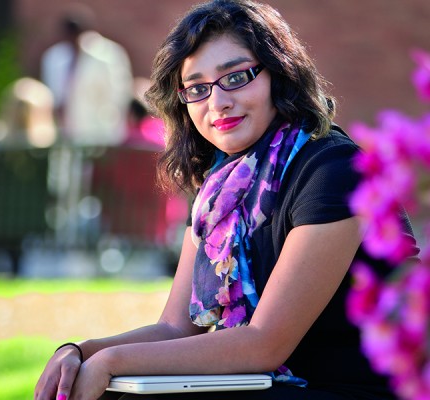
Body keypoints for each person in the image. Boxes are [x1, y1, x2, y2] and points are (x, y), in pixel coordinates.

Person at [34, 1, 418, 399]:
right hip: (265, 385)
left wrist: (111, 362)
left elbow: (264, 344)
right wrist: (80, 352)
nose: (217, 103)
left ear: (280, 75)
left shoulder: (333, 168)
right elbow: (175, 329)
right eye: (197, 89)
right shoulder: (219, 189)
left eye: (235, 77)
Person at [40, 5, 133, 146]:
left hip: (98, 134)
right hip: (64, 133)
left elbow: (119, 95)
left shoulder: (108, 56)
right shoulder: (54, 57)